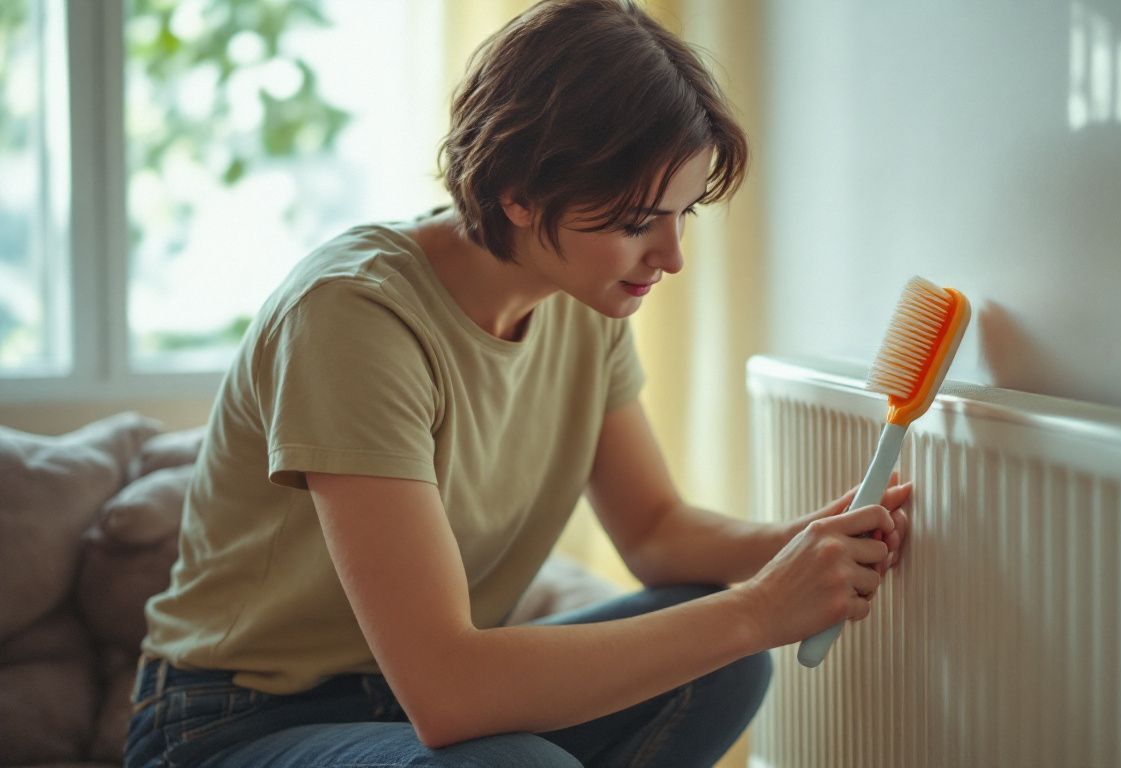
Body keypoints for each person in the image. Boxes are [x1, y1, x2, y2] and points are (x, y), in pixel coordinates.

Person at [124, 1, 913, 766]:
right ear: (521, 193)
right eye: (639, 222)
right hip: (235, 723)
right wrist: (758, 609)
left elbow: (656, 531)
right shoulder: (354, 317)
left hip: (412, 712)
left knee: (722, 662)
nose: (670, 257)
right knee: (516, 759)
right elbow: (448, 691)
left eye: (683, 215)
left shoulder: (585, 302)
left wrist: (798, 553)